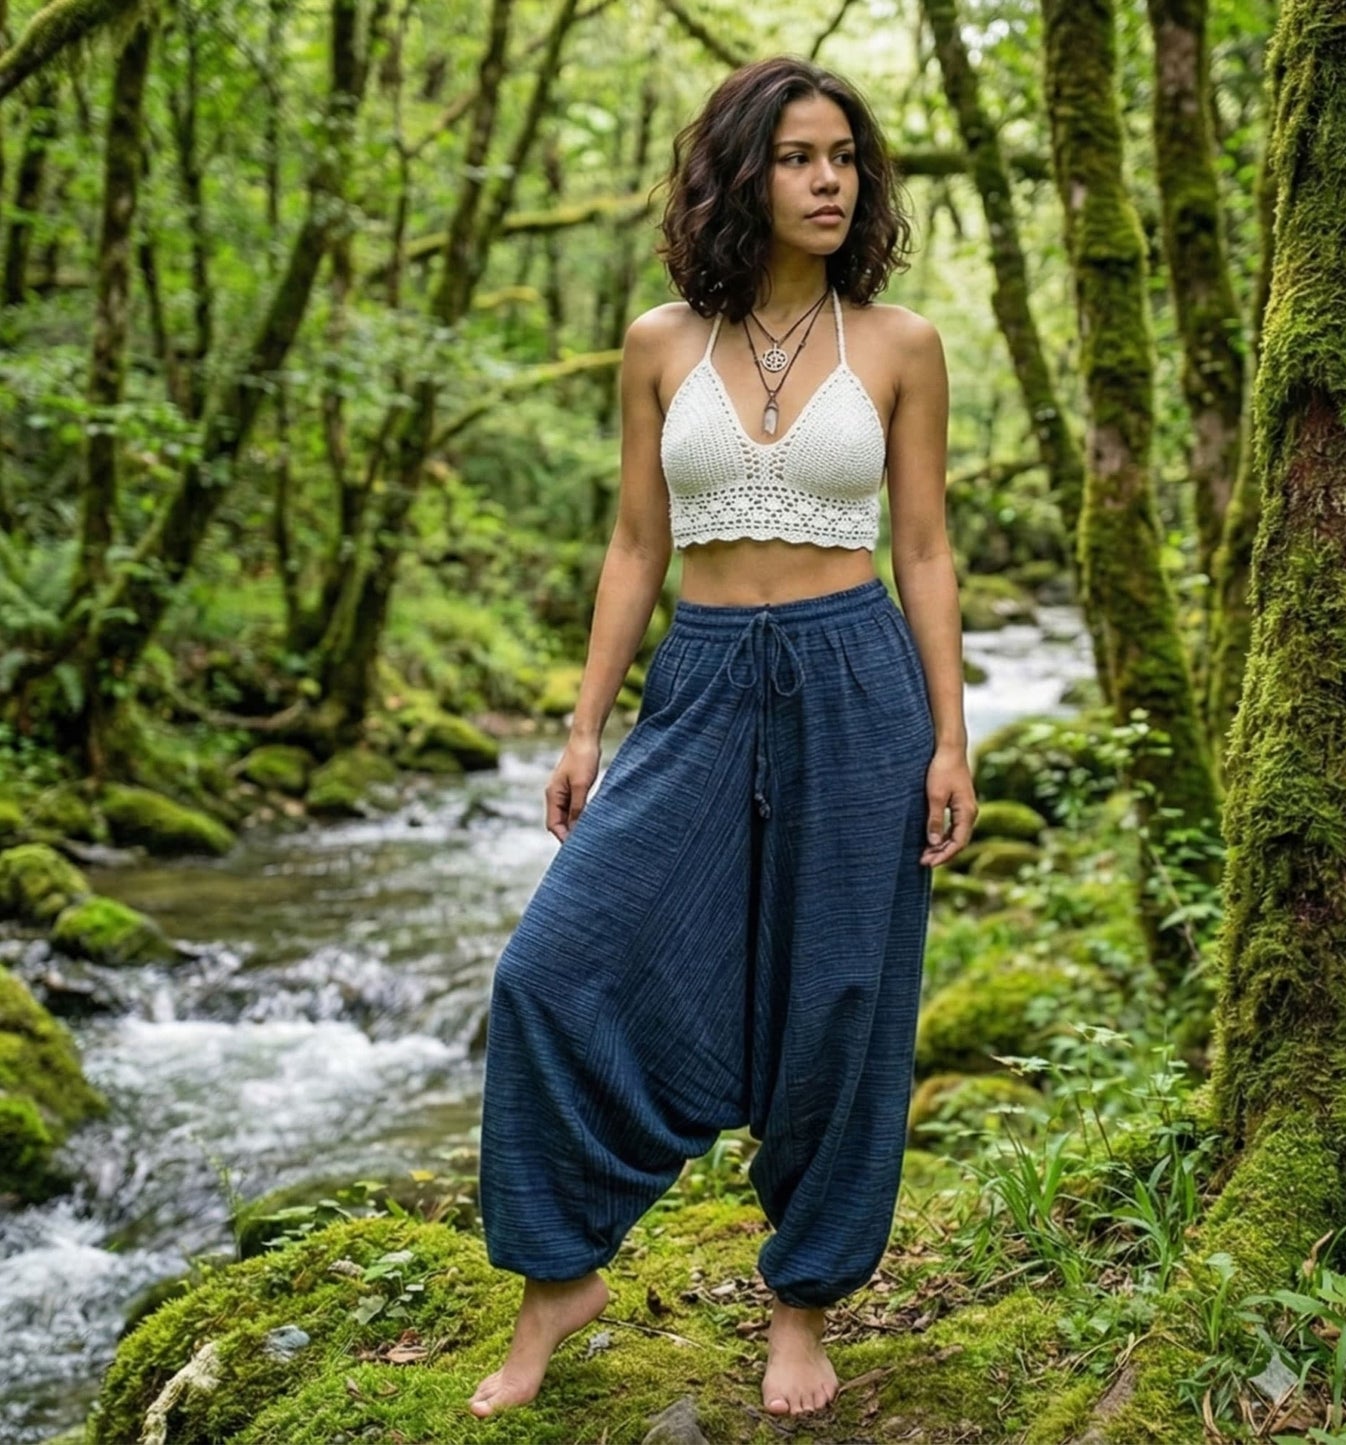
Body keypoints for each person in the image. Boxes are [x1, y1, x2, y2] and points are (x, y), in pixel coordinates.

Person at [469, 53, 976, 1423]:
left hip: (855, 676)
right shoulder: (658, 343)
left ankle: (800, 1305)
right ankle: (558, 1277)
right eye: (797, 156)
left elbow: (925, 551)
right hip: (695, 679)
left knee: (840, 993)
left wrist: (951, 738)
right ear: (741, 173)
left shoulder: (899, 344)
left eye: (844, 157)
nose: (827, 180)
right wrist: (585, 726)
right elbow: (634, 544)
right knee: (551, 968)